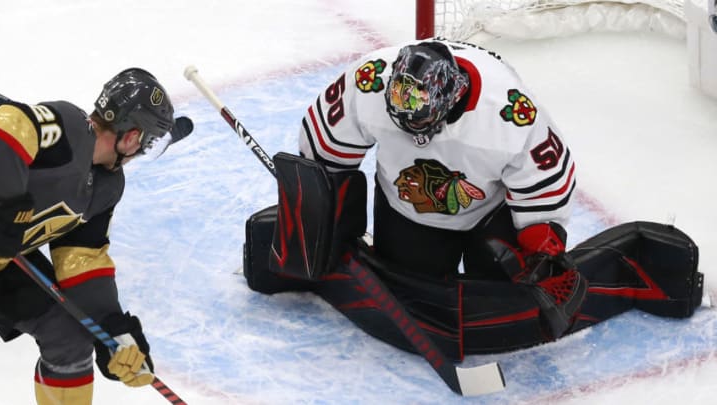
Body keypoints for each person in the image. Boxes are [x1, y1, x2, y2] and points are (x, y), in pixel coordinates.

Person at [243, 38, 703, 361]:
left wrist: (541, 247)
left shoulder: (508, 113)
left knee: (506, 299)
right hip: (406, 205)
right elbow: (327, 152)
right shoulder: (372, 83)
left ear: (451, 97)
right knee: (410, 286)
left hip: (490, 214)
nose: (409, 129)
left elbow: (545, 183)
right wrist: (320, 215)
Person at [0, 68, 192, 404]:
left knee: (68, 332)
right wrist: (6, 202)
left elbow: (81, 257)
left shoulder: (105, 188)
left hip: (4, 259)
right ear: (132, 137)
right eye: (145, 144)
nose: (139, 153)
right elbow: (9, 122)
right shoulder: (69, 128)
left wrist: (111, 327)